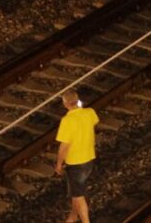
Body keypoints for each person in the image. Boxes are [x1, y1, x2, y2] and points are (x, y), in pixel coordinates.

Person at [55, 88, 99, 223]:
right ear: (78, 100)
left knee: (79, 196)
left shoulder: (67, 121)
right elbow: (95, 121)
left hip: (75, 164)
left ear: (65, 104)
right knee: (76, 191)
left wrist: (59, 163)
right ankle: (73, 217)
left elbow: (64, 146)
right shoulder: (90, 113)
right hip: (89, 159)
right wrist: (80, 108)